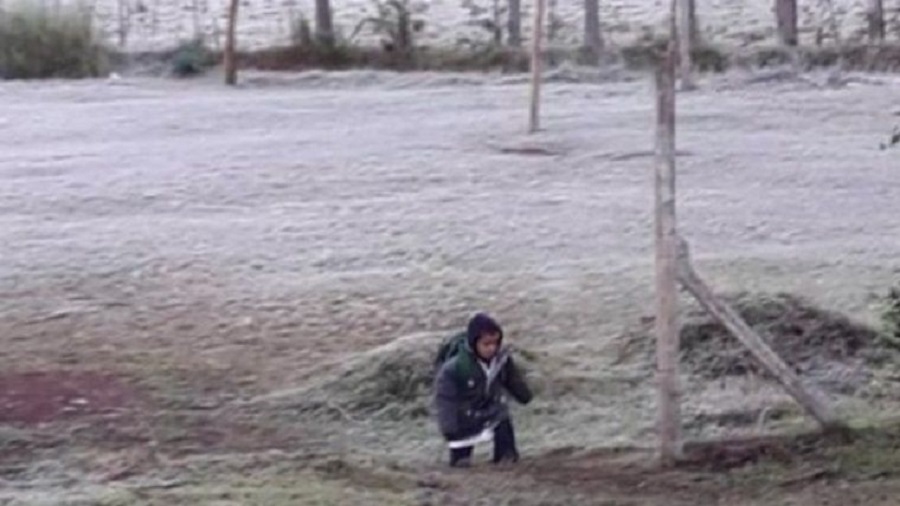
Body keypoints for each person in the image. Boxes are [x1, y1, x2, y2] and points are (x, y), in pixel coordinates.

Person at [432, 312, 533, 468]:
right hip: (463, 416)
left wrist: (524, 396)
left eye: (495, 343)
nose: (492, 348)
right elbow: (445, 399)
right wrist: (449, 427)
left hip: (491, 409)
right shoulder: (454, 368)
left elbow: (512, 380)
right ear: (474, 343)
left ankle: (506, 457)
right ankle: (461, 462)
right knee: (461, 463)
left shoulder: (501, 360)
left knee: (502, 419)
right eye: (486, 344)